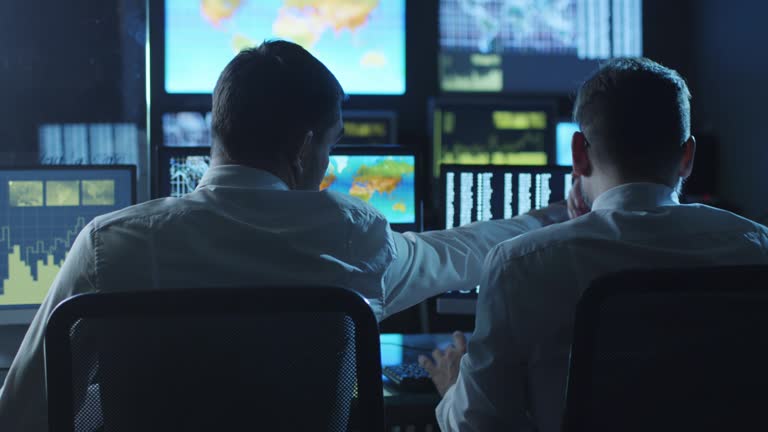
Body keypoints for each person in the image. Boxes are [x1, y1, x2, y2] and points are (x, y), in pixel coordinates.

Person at [0, 40, 567, 431]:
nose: (326, 160)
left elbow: (26, 414)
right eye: (330, 144)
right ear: (302, 147)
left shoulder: (110, 245)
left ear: (218, 127)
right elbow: (453, 256)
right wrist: (555, 218)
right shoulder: (352, 234)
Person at [421, 57, 768, 432]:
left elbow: (479, 427)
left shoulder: (520, 264)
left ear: (578, 154)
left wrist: (454, 388)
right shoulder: (756, 247)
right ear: (687, 157)